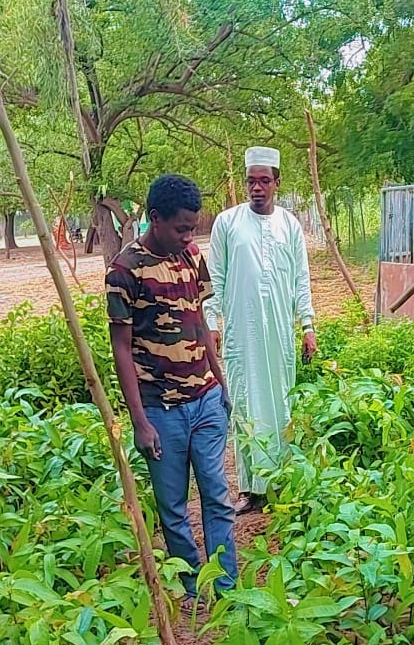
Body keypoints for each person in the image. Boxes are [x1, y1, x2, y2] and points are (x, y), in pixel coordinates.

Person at [105, 174, 238, 600]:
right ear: (155, 218)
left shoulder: (191, 256)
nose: (188, 236)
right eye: (181, 228)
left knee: (217, 498)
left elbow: (200, 321)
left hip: (205, 401)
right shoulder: (124, 271)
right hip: (161, 411)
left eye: (193, 228)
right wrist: (139, 421)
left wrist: (220, 381)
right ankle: (193, 587)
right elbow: (121, 349)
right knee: (174, 510)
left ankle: (225, 585)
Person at [205, 146, 317, 515]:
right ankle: (251, 489)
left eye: (264, 181)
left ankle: (281, 481)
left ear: (277, 183)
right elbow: (214, 279)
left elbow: (302, 279)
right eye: (251, 181)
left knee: (280, 402)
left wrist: (307, 325)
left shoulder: (290, 225)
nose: (257, 188)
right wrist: (212, 322)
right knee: (245, 403)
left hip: (280, 335)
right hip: (241, 332)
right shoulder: (227, 223)